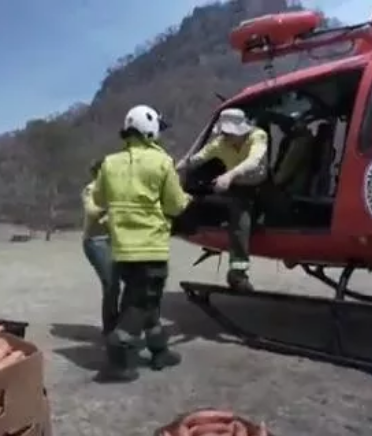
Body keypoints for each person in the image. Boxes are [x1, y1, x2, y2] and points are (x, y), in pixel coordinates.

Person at [92, 104, 191, 382]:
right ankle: (118, 353)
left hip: (122, 249)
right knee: (140, 303)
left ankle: (159, 350)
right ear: (151, 130)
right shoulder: (162, 162)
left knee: (146, 300)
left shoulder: (109, 163)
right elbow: (174, 205)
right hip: (151, 247)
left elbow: (99, 200)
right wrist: (188, 201)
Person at [176, 108, 268, 292]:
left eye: (229, 133)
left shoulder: (258, 136)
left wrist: (230, 175)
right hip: (238, 188)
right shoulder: (219, 144)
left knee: (257, 214)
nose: (225, 137)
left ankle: (240, 270)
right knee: (238, 215)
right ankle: (238, 274)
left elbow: (254, 160)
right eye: (223, 133)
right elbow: (197, 159)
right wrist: (177, 168)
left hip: (261, 186)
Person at [81, 159, 121, 335]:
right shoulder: (91, 189)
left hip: (116, 241)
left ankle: (121, 324)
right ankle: (111, 329)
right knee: (111, 283)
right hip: (96, 242)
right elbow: (92, 211)